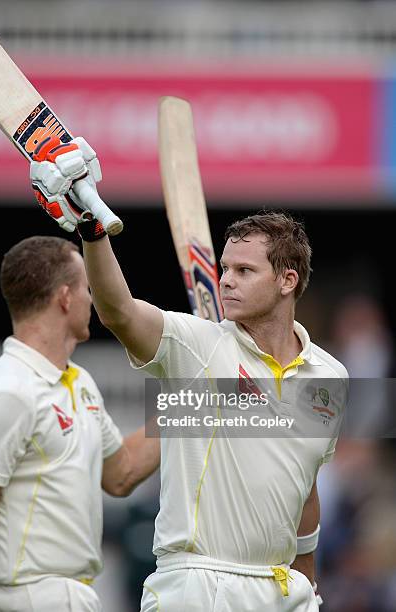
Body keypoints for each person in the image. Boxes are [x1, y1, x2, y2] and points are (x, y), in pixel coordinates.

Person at [29, 135, 349, 611]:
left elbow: (304, 491)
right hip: (197, 586)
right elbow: (118, 311)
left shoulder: (330, 376)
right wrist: (91, 228)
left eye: (245, 271)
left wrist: (308, 586)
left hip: (283, 591)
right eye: (225, 269)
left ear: (288, 281)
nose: (226, 281)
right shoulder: (195, 346)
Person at [0, 235, 160, 612]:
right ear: (64, 297)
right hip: (20, 598)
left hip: (72, 595)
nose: (91, 299)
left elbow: (121, 473)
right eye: (86, 289)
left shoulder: (79, 382)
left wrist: (199, 403)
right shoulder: (6, 391)